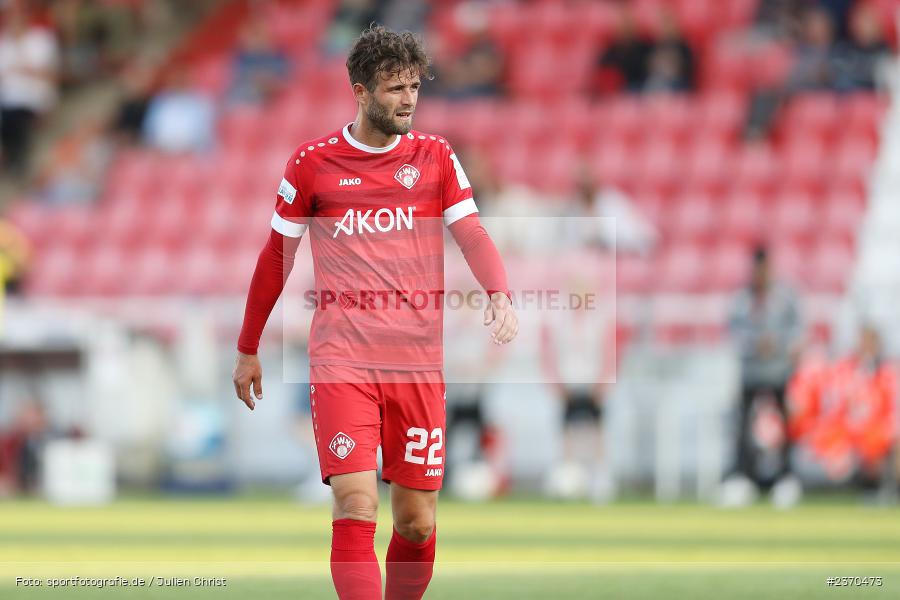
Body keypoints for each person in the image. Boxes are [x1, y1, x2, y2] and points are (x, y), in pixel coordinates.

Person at [232, 25, 517, 600]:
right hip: (344, 362)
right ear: (360, 92)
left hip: (415, 365)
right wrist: (248, 346)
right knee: (356, 503)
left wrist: (499, 292)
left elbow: (472, 231)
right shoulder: (313, 164)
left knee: (416, 521)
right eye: (394, 89)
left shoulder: (435, 157)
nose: (408, 99)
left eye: (414, 87)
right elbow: (274, 259)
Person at [721, 246, 803, 508]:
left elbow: (798, 329)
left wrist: (778, 345)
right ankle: (742, 477)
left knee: (784, 427)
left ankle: (785, 477)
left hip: (778, 372)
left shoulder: (785, 297)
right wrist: (755, 344)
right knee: (744, 426)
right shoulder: (742, 299)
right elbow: (732, 332)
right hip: (751, 372)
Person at [0, 0, 60, 176]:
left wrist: (23, 69)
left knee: (13, 118)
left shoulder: (41, 39)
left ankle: (17, 162)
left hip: (33, 99)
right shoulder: (3, 43)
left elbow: (50, 74)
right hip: (7, 99)